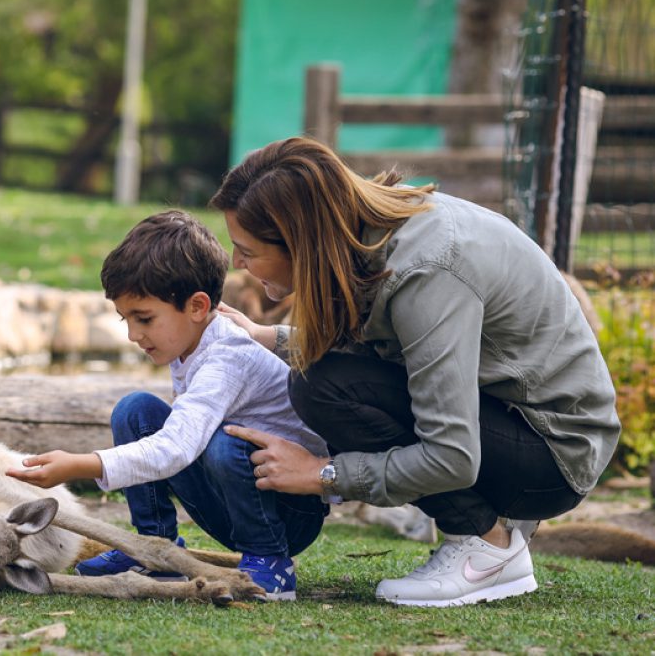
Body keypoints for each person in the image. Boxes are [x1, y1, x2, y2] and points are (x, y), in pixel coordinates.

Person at [210, 136, 620, 608]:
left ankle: (484, 549)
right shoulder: (377, 235)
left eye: (246, 249)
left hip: (553, 455)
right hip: (512, 416)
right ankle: (490, 534)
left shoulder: (425, 271)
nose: (236, 263)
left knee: (322, 388)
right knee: (322, 378)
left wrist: (324, 474)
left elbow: (452, 457)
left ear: (301, 239)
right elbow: (398, 351)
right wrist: (270, 337)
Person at [6, 210, 328, 601]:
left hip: (288, 512)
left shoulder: (226, 357)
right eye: (125, 318)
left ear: (196, 306)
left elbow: (176, 448)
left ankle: (271, 563)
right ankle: (154, 546)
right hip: (235, 495)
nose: (132, 334)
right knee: (136, 410)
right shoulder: (191, 340)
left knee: (224, 443)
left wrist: (82, 464)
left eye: (143, 318)